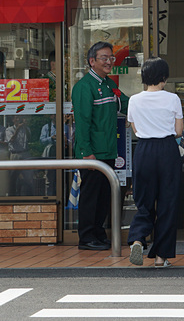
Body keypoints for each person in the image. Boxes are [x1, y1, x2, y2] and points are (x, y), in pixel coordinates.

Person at [72, 41, 129, 251]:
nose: (109, 62)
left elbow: (126, 103)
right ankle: (86, 238)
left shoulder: (108, 85)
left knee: (104, 196)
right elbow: (83, 122)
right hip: (92, 154)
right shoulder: (84, 87)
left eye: (111, 58)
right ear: (92, 61)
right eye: (104, 58)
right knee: (90, 196)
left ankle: (98, 234)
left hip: (108, 150)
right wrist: (87, 153)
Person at [127, 57, 183, 268]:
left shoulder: (134, 100)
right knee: (168, 204)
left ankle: (138, 239)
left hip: (144, 150)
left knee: (144, 201)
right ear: (163, 77)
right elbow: (178, 131)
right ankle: (161, 256)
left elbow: (135, 129)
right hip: (167, 150)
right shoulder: (172, 99)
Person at [6, 115, 33, 195]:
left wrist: (24, 127)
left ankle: (27, 195)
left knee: (27, 177)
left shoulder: (26, 129)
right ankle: (12, 196)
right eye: (16, 118)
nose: (18, 120)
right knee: (13, 177)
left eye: (20, 118)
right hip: (15, 154)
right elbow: (11, 140)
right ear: (13, 119)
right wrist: (17, 129)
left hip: (25, 153)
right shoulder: (9, 129)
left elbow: (29, 137)